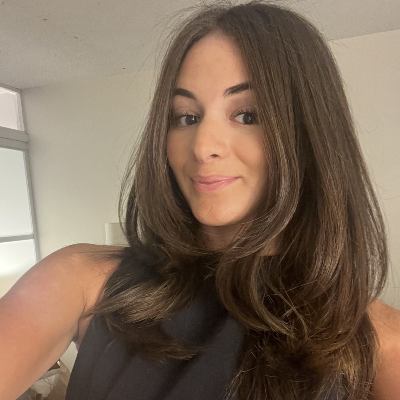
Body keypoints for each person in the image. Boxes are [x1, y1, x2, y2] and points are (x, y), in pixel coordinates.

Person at [1, 1, 399, 399]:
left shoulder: (375, 339)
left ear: (308, 133)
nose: (202, 146)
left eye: (247, 115)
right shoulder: (82, 280)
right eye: (186, 117)